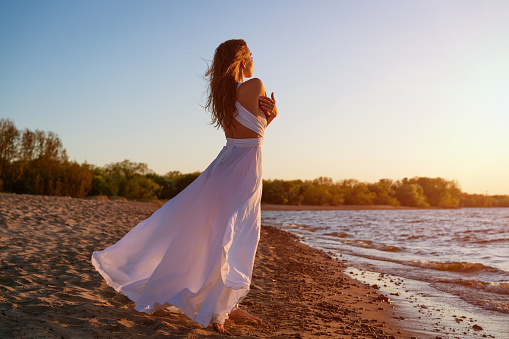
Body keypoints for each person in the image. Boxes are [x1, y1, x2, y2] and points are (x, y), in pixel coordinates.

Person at [91, 39, 277, 333]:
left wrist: (267, 118)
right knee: (238, 233)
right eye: (251, 55)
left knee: (219, 233)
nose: (254, 60)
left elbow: (249, 129)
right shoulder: (255, 85)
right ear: (242, 60)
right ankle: (219, 311)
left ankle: (224, 306)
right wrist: (273, 115)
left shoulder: (224, 95)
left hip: (225, 165)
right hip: (244, 168)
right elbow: (258, 131)